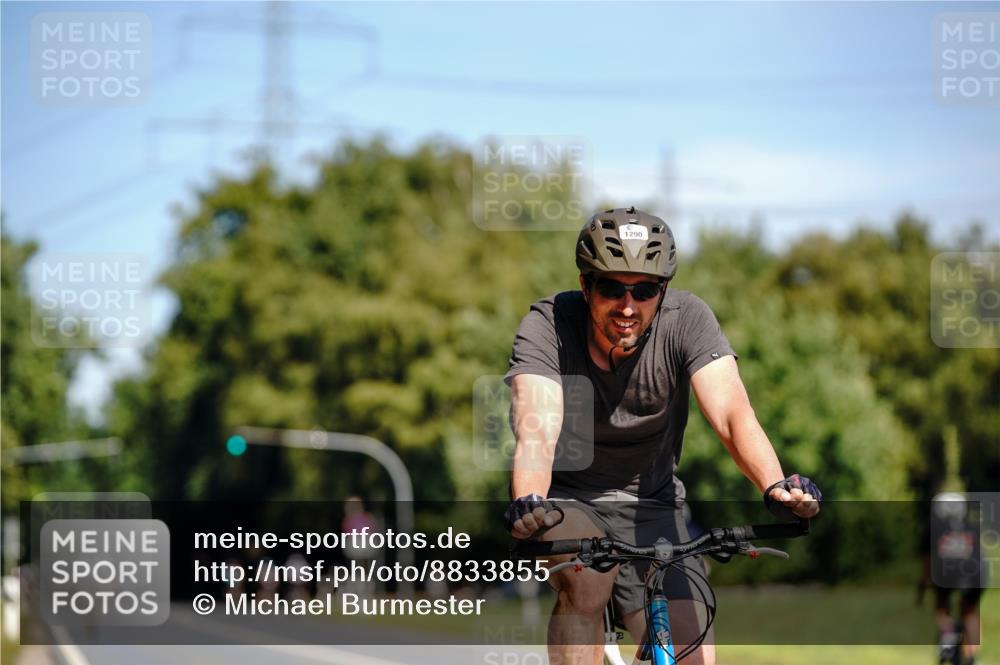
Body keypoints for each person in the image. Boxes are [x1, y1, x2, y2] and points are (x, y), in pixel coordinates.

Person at [502, 207, 822, 665]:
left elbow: (732, 414)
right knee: (589, 580)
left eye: (645, 291)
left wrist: (774, 485)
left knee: (691, 654)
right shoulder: (548, 325)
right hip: (568, 498)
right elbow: (538, 425)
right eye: (612, 288)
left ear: (663, 291)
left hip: (654, 505)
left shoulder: (687, 319)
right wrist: (530, 499)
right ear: (585, 285)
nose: (628, 307)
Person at [928, 492, 985, 665]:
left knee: (942, 607)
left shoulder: (934, 529)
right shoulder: (972, 528)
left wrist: (924, 583)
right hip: (973, 575)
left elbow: (927, 560)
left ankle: (947, 641)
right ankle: (971, 656)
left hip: (945, 574)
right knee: (970, 612)